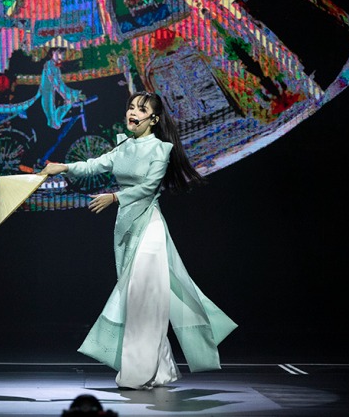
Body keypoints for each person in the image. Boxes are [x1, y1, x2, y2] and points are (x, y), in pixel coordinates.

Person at [41, 91, 236, 389]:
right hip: (126, 226)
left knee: (143, 298)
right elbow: (94, 165)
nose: (132, 112)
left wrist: (114, 197)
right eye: (131, 107)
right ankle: (162, 370)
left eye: (141, 109)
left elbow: (148, 188)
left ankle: (137, 372)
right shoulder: (123, 146)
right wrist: (63, 167)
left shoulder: (161, 149)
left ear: (154, 119)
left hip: (150, 228)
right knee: (139, 300)